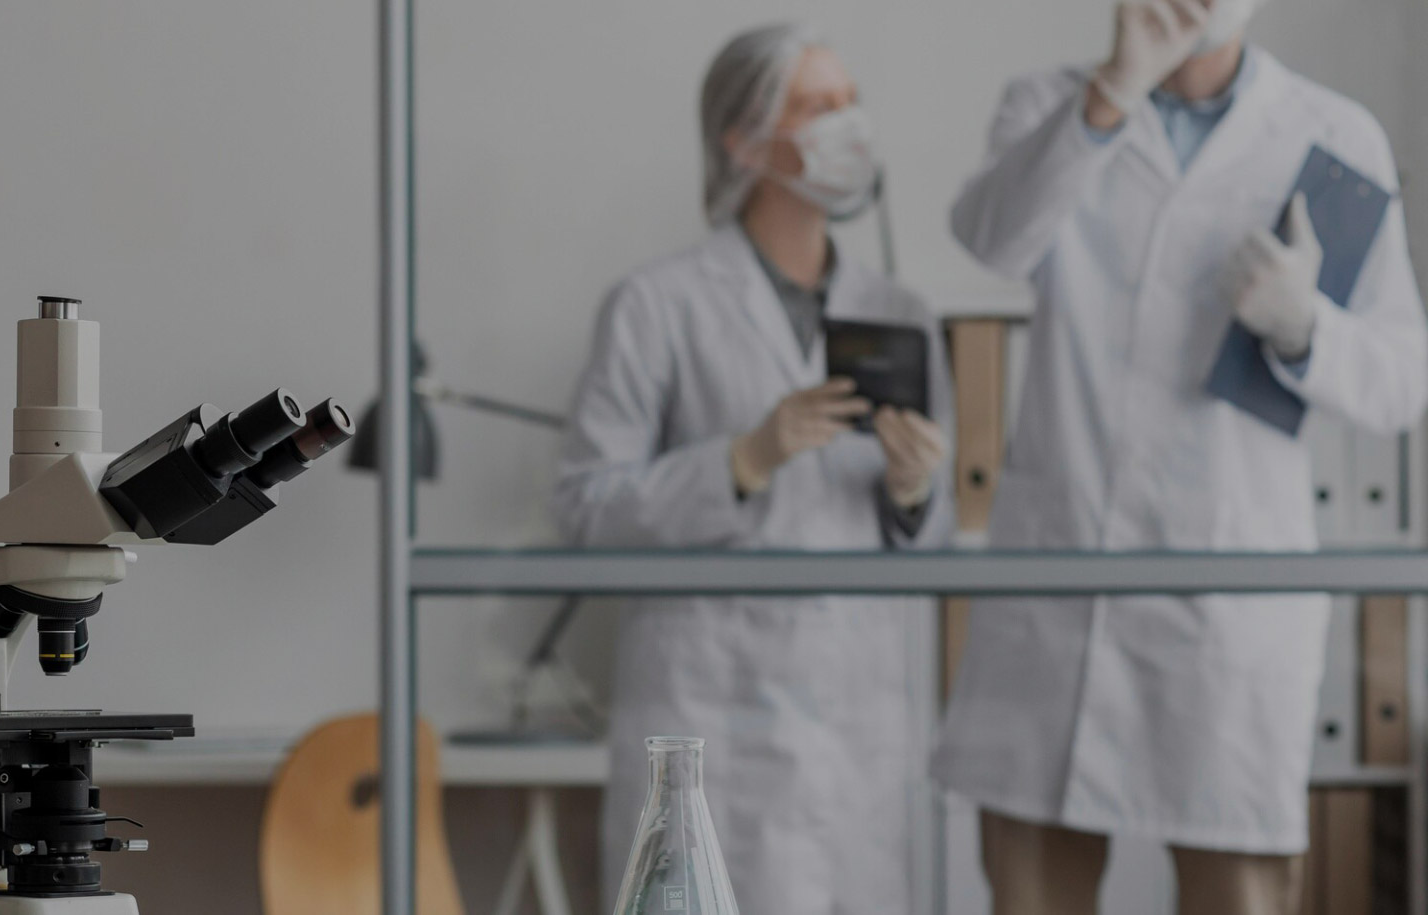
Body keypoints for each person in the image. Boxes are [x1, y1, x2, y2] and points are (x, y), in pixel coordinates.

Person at [931, 0, 1428, 912]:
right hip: (1060, 582)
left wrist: (1306, 328)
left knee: (1235, 888)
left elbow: (1403, 383)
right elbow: (991, 240)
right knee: (1032, 886)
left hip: (1226, 602)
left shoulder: (1333, 132)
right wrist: (1110, 96)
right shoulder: (1047, 104)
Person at [554, 24, 955, 914]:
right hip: (714, 708)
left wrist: (912, 491)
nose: (847, 125)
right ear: (742, 140)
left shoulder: (902, 314)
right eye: (817, 106)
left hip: (858, 726)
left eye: (850, 102)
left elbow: (932, 545)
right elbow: (583, 510)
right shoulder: (656, 304)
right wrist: (742, 460)